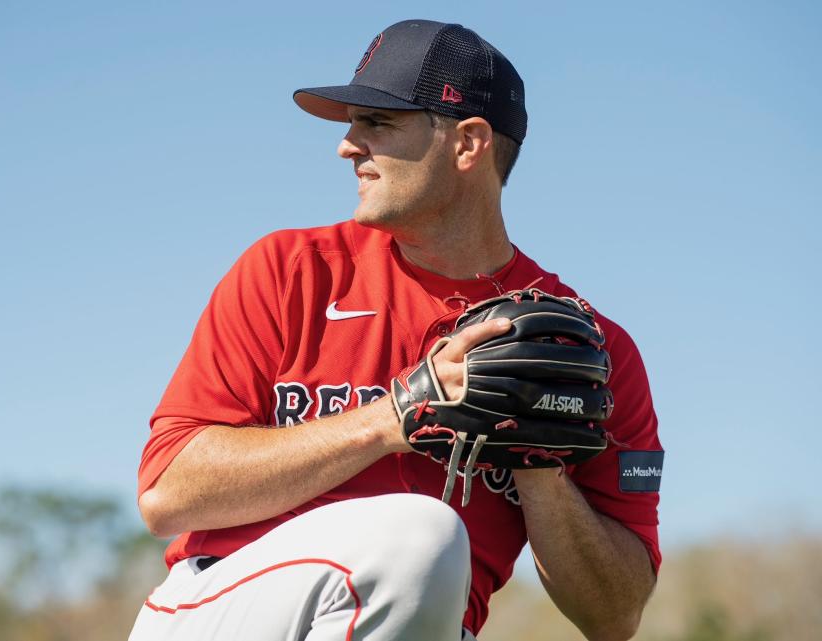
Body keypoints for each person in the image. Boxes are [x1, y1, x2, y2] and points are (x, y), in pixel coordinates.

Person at [128, 19, 663, 641]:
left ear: (468, 144)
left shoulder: (586, 349)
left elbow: (615, 616)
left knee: (426, 555)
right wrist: (393, 419)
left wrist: (539, 464)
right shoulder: (292, 270)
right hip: (227, 604)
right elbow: (167, 493)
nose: (347, 145)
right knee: (423, 535)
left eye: (377, 123)